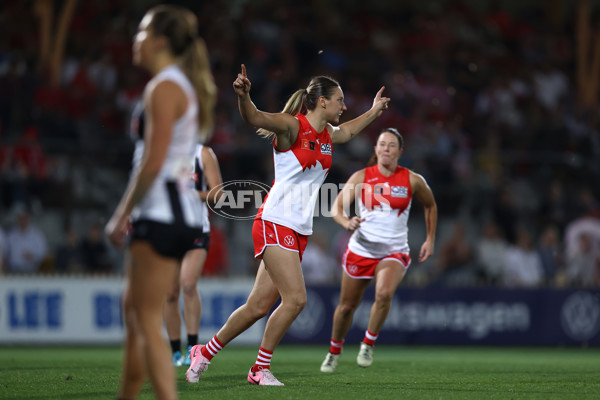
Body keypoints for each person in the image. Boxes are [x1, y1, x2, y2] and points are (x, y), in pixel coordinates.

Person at [186, 65, 390, 386]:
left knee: (257, 307)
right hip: (274, 220)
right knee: (296, 300)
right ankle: (259, 369)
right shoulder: (292, 127)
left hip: (296, 229)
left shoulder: (327, 136)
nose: (344, 106)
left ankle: (204, 352)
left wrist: (374, 112)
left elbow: (349, 131)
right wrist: (244, 96)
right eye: (339, 100)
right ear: (322, 101)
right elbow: (254, 117)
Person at [104, 5, 216, 400]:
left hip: (160, 211)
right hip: (176, 212)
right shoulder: (178, 84)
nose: (135, 40)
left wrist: (121, 215)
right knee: (135, 314)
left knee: (144, 318)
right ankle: (128, 392)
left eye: (141, 32)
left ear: (160, 41)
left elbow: (153, 161)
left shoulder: (164, 87)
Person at [319, 128, 437, 373]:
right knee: (346, 307)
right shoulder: (362, 177)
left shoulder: (412, 179)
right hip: (361, 249)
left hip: (394, 250)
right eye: (382, 144)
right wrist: (346, 222)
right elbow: (337, 208)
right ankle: (334, 350)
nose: (386, 148)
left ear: (400, 152)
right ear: (375, 149)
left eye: (392, 145)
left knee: (383, 294)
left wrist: (430, 239)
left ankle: (368, 344)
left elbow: (430, 205)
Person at [164, 143, 223, 367]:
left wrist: (190, 194)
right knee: (169, 292)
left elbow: (219, 193)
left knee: (188, 284)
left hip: (196, 229)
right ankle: (174, 350)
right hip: (167, 230)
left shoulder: (203, 153)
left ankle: (192, 346)